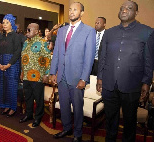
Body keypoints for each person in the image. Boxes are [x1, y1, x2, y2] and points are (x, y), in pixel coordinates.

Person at [96, 1, 153, 141]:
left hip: (132, 85)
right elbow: (102, 57)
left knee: (129, 121)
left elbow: (149, 60)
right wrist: (99, 77)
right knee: (110, 119)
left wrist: (146, 82)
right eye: (122, 8)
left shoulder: (147, 32)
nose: (125, 10)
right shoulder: (109, 32)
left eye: (129, 8)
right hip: (109, 85)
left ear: (136, 12)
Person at [50, 2, 96, 142]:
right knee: (64, 106)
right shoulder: (62, 30)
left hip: (77, 78)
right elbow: (57, 53)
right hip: (62, 76)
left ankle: (77, 133)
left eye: (75, 9)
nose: (71, 12)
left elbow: (89, 58)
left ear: (81, 13)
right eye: (70, 9)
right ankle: (66, 128)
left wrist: (84, 78)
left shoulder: (89, 31)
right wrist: (53, 72)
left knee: (77, 107)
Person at [19, 23, 51, 127]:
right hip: (26, 75)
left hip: (38, 76)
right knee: (28, 97)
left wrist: (47, 74)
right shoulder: (25, 42)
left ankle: (38, 117)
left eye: (29, 30)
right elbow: (23, 58)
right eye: (27, 30)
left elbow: (48, 59)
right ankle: (28, 114)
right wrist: (22, 72)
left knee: (38, 98)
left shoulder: (43, 43)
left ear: (36, 31)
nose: (27, 32)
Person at [0, 14, 23, 117]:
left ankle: (13, 108)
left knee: (12, 86)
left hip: (12, 64)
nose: (4, 24)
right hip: (2, 63)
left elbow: (17, 52)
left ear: (11, 24)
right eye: (3, 22)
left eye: (7, 22)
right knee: (3, 86)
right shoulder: (1, 36)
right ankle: (5, 105)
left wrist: (8, 64)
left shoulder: (16, 36)